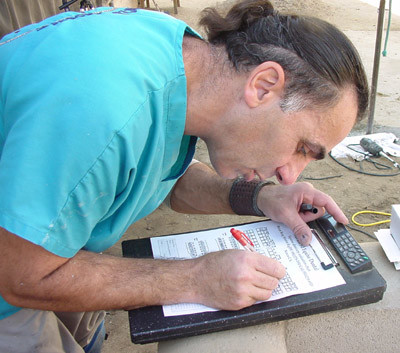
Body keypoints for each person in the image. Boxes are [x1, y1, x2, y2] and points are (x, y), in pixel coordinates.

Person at [0, 0, 368, 352]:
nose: (291, 175)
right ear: (263, 85)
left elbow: (162, 174)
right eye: (302, 147)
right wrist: (193, 279)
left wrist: (260, 197)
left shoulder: (186, 62)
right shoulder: (104, 112)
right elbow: (23, 275)